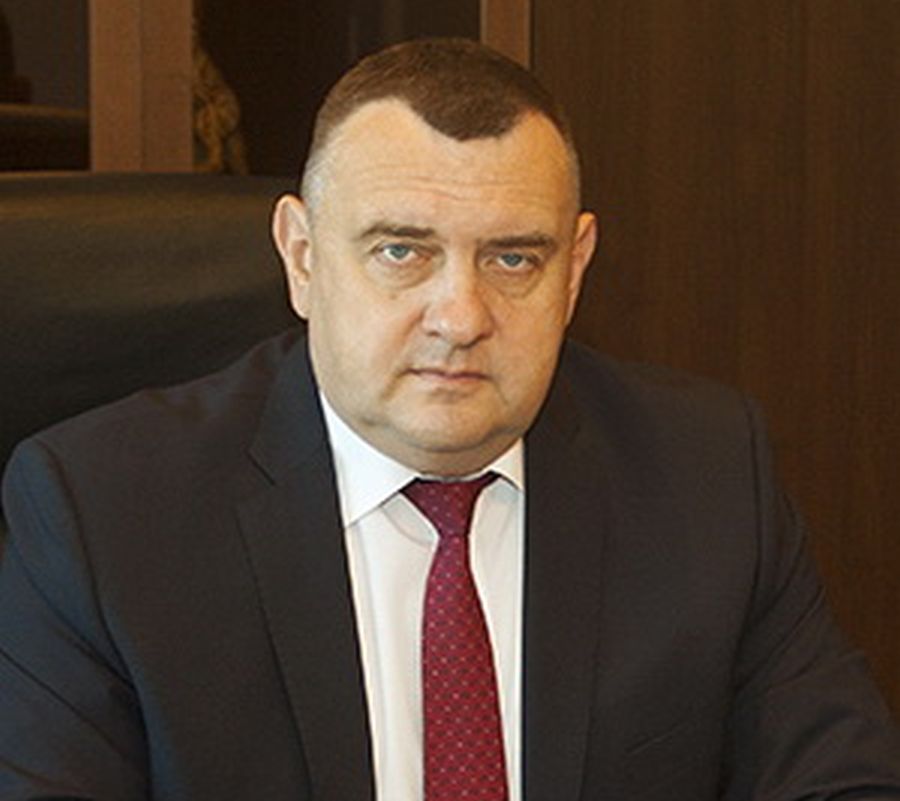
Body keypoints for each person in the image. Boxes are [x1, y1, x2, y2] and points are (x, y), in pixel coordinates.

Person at [0, 37, 898, 801]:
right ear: (302, 256)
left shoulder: (707, 477)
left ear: (575, 269)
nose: (461, 316)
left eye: (513, 259)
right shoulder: (101, 513)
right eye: (402, 250)